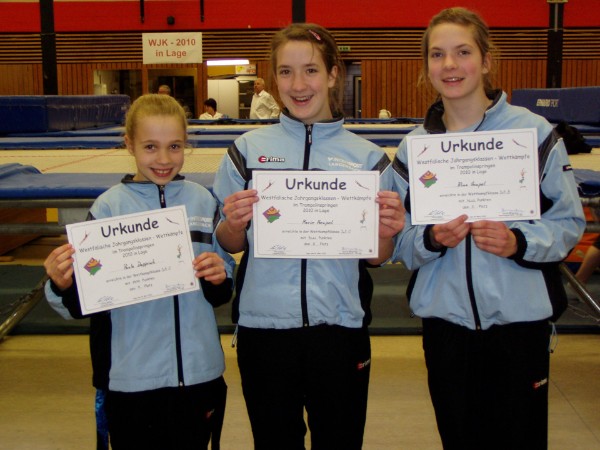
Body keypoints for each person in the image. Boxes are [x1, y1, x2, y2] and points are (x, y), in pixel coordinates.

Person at [391, 7, 586, 450]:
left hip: (520, 327)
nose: (450, 65)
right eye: (437, 55)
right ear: (426, 67)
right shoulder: (415, 147)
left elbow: (569, 222)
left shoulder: (532, 133)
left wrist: (519, 241)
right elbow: (396, 239)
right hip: (446, 327)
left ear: (486, 59)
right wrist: (429, 239)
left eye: (462, 52)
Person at [212, 23, 405, 450]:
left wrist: (387, 231)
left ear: (334, 73)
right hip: (265, 331)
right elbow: (228, 244)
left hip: (338, 329)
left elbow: (378, 257)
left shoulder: (369, 159)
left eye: (311, 71)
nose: (298, 85)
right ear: (273, 77)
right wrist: (233, 223)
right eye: (285, 72)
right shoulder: (244, 151)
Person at [43, 94, 235, 450]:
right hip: (131, 381)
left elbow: (223, 290)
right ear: (129, 144)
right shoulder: (108, 208)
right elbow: (80, 302)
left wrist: (220, 274)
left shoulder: (202, 201)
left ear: (186, 145)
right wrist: (62, 283)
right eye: (150, 146)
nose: (163, 159)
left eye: (174, 146)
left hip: (198, 375)